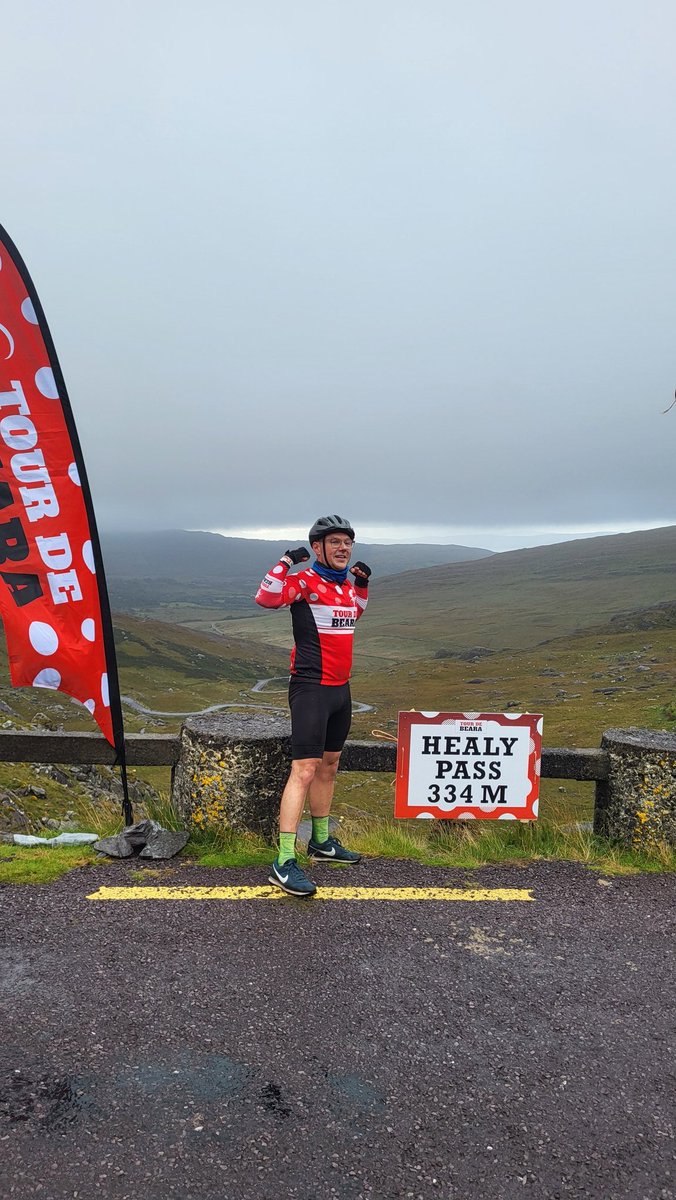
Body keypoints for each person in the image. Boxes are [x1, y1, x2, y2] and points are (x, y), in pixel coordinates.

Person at [255, 515, 371, 897]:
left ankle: (321, 843)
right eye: (335, 542)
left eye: (348, 542)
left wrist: (362, 584)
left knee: (329, 765)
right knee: (303, 770)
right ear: (318, 547)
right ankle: (284, 861)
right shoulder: (305, 582)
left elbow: (356, 611)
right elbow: (267, 597)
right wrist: (287, 561)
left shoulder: (343, 588)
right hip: (310, 688)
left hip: (341, 690)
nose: (343, 548)